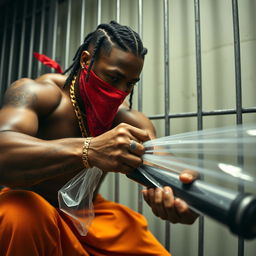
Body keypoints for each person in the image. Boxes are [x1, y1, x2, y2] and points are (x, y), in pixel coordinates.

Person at [0, 21, 197, 256]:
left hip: (89, 217)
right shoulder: (38, 93)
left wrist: (187, 195)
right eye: (113, 78)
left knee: (137, 237)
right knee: (19, 212)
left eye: (130, 83)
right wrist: (89, 150)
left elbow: (166, 168)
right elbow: (3, 152)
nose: (121, 91)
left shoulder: (130, 120)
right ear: (85, 61)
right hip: (32, 211)